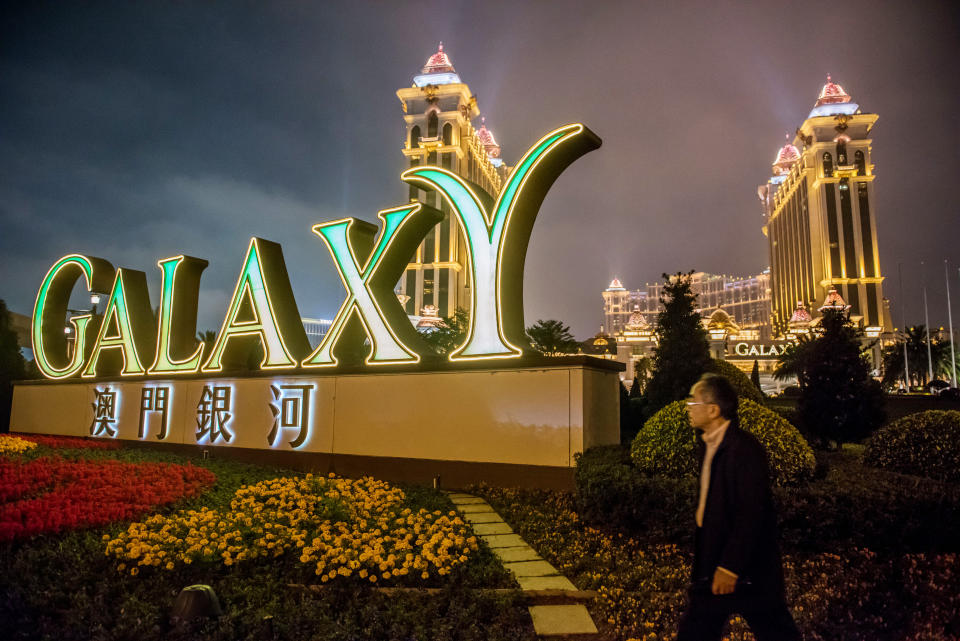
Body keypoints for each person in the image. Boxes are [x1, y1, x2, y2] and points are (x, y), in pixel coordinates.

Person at [677, 373, 801, 641]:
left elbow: (751, 512)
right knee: (696, 630)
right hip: (712, 562)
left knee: (774, 629)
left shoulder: (744, 450)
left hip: (749, 569)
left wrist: (730, 566)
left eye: (693, 402)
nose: (687, 407)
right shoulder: (707, 445)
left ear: (713, 410)